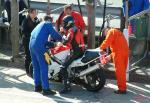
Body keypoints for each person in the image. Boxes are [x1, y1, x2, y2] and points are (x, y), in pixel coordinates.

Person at [29, 15, 62, 95]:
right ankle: (45, 89)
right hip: (39, 46)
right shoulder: (47, 24)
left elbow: (40, 39)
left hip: (31, 45)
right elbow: (55, 35)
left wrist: (53, 44)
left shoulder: (39, 25)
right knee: (44, 66)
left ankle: (37, 86)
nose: (52, 25)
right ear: (50, 20)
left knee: (36, 66)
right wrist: (62, 39)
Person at [59, 15, 85, 94]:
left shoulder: (71, 30)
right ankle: (71, 78)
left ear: (68, 23)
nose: (63, 24)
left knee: (63, 67)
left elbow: (67, 40)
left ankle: (66, 87)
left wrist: (62, 37)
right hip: (81, 50)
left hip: (75, 51)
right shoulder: (76, 28)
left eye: (64, 23)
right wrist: (64, 32)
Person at [99, 28, 129, 94]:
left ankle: (122, 89)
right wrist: (110, 56)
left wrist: (100, 48)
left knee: (119, 72)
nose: (105, 35)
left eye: (104, 34)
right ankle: (123, 87)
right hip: (125, 52)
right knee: (122, 71)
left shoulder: (110, 31)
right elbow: (118, 47)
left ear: (106, 31)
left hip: (119, 54)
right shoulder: (117, 32)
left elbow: (107, 41)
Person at [22, 8, 40, 75]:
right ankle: (28, 70)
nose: (35, 14)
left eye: (36, 12)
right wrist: (32, 36)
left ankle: (32, 70)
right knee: (28, 55)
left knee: (34, 55)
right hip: (27, 40)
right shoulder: (26, 20)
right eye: (33, 13)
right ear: (29, 13)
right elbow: (24, 31)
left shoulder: (36, 20)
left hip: (34, 41)